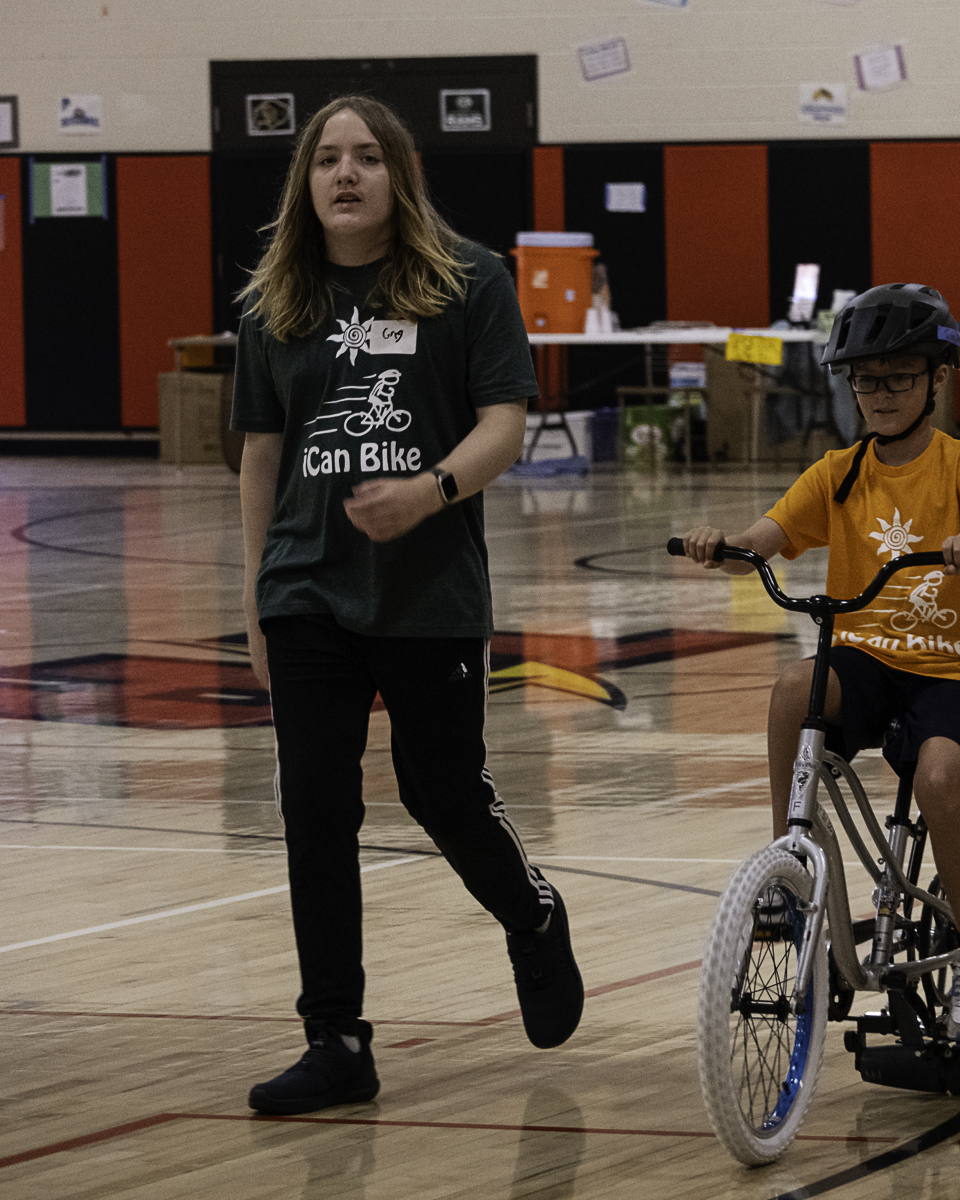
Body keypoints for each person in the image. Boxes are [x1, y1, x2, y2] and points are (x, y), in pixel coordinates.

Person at [232, 94, 584, 1116]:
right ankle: (335, 1037)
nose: (345, 174)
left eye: (367, 158)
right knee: (314, 806)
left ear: (401, 174)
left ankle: (532, 916)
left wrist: (429, 491)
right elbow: (261, 453)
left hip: (429, 592)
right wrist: (256, 597)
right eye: (326, 159)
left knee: (442, 793)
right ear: (305, 181)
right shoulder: (273, 302)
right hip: (306, 589)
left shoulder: (469, 280)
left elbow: (505, 424)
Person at [680, 284, 960, 1042]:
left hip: (957, 667)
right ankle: (789, 870)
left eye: (899, 378)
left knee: (936, 780)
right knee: (791, 689)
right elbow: (758, 544)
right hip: (868, 657)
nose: (881, 394)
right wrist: (719, 547)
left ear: (937, 377)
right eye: (867, 380)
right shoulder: (837, 471)